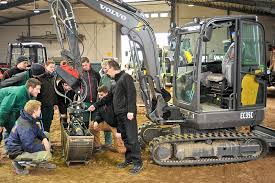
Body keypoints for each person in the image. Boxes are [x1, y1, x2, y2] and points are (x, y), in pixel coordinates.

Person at [89, 60, 143, 174]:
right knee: (125, 138)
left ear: (112, 67)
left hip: (127, 115)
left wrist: (131, 111)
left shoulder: (126, 77)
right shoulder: (115, 82)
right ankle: (128, 159)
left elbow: (131, 94)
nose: (105, 72)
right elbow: (108, 98)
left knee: (132, 139)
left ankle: (138, 163)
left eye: (106, 69)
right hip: (119, 115)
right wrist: (95, 105)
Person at [5, 100, 56, 175]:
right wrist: (44, 147)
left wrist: (44, 139)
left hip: (22, 145)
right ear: (34, 111)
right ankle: (18, 163)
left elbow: (38, 130)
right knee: (47, 155)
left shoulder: (28, 117)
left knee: (46, 134)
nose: (40, 111)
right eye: (39, 109)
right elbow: (29, 146)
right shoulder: (26, 126)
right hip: (16, 152)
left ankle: (41, 161)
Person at [89, 86, 126, 153]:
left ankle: (122, 146)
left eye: (101, 95)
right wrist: (96, 121)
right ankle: (97, 146)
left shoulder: (115, 102)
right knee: (92, 125)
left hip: (116, 125)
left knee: (121, 151)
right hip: (107, 123)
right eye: (99, 95)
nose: (99, 97)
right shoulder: (100, 102)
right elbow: (99, 114)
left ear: (107, 94)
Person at [36, 60, 57, 132]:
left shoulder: (53, 78)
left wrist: (55, 103)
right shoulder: (40, 78)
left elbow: (54, 92)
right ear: (46, 66)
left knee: (49, 123)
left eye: (53, 67)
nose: (52, 69)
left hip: (50, 105)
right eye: (51, 67)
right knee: (42, 123)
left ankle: (46, 138)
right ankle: (43, 140)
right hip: (42, 105)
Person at [81, 57, 101, 128]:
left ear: (89, 63)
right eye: (83, 66)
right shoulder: (81, 75)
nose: (84, 67)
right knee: (85, 123)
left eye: (85, 65)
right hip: (84, 101)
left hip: (95, 102)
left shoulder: (96, 73)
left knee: (94, 124)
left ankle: (95, 139)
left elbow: (100, 85)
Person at [99, 59, 114, 148]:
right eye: (103, 68)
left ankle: (120, 144)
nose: (104, 70)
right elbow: (100, 90)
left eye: (105, 68)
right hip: (105, 104)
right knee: (106, 122)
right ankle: (108, 142)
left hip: (114, 103)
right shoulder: (103, 78)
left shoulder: (115, 77)